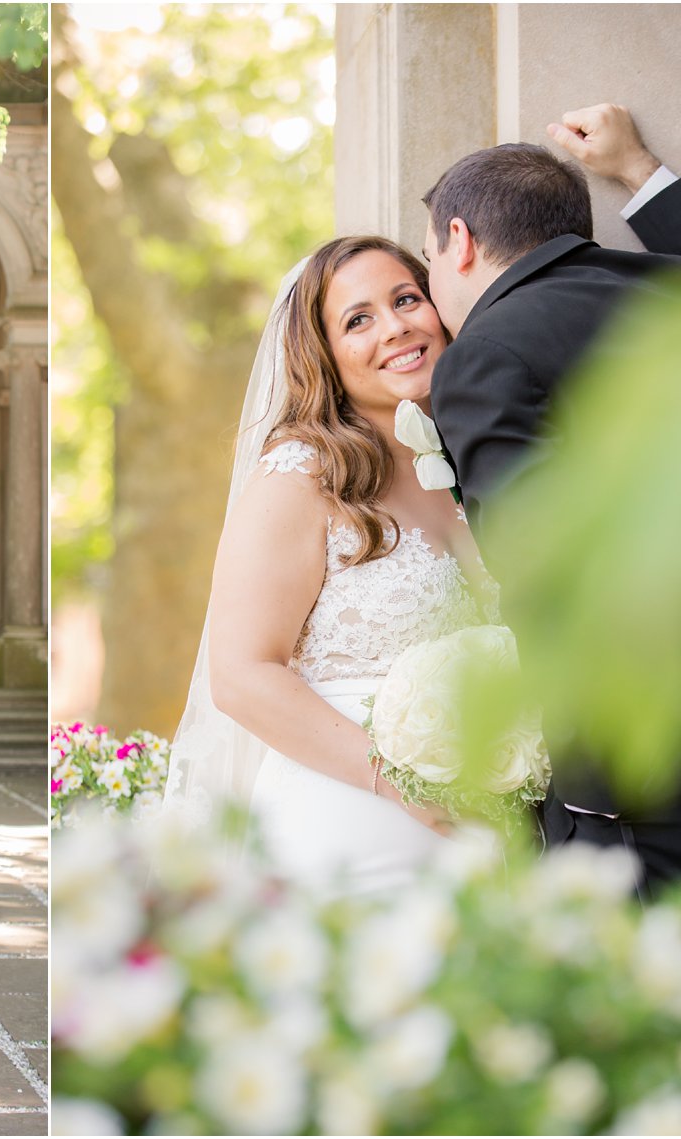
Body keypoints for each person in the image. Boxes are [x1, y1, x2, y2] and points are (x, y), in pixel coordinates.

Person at [421, 104, 681, 941]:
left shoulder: (483, 353)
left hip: (650, 772)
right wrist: (641, 171)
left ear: (458, 240)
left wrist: (573, 787)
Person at [163, 234, 501, 898]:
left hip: (483, 836)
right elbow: (240, 675)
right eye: (359, 319)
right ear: (325, 354)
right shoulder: (300, 475)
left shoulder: (471, 463)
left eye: (407, 299)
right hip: (349, 836)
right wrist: (402, 784)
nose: (397, 326)